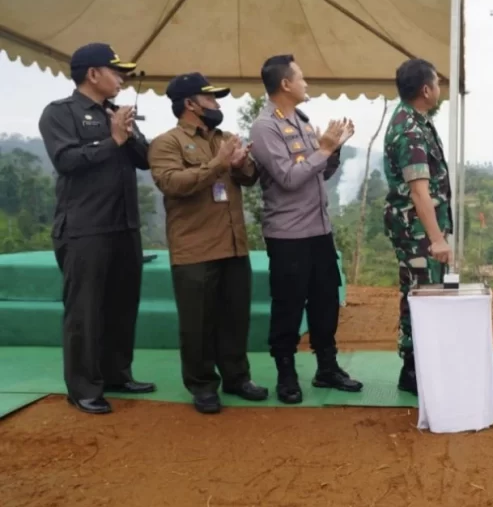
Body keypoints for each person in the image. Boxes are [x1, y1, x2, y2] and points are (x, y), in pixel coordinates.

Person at [38, 42, 156, 415]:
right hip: (85, 228)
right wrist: (113, 139)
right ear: (93, 74)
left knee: (122, 304)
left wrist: (129, 132)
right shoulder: (61, 113)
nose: (121, 78)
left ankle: (117, 374)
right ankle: (84, 388)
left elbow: (145, 160)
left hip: (124, 225)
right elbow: (67, 160)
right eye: (115, 70)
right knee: (85, 311)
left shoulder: (116, 113)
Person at [148, 73, 270, 414]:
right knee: (198, 323)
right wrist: (218, 164)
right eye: (211, 99)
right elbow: (173, 183)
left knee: (234, 317)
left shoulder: (226, 138)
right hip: (195, 249)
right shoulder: (166, 143)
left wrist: (242, 163)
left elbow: (248, 178)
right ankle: (202, 384)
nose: (218, 105)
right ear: (190, 104)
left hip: (233, 245)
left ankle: (237, 377)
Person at [249, 54, 363, 404]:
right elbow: (287, 177)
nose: (306, 83)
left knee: (326, 299)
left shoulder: (301, 120)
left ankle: (326, 366)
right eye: (301, 78)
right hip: (288, 235)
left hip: (319, 230)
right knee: (288, 303)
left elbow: (318, 173)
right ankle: (286, 373)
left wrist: (334, 151)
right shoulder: (265, 126)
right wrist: (324, 148)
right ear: (285, 84)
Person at [382, 58, 453, 396]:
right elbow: (419, 191)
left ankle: (417, 366)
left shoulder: (413, 120)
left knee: (419, 294)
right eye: (437, 83)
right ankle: (414, 370)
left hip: (417, 230)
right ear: (426, 90)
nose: (440, 88)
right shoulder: (409, 129)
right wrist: (437, 239)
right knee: (423, 296)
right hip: (418, 232)